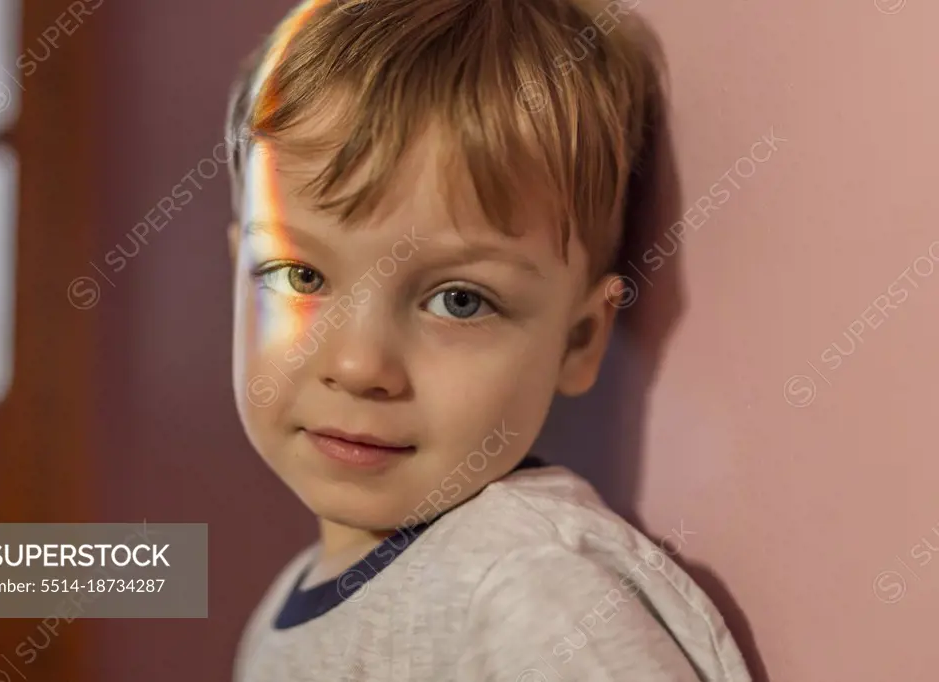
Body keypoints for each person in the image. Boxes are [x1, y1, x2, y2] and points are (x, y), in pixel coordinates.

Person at [226, 0, 752, 679]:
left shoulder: (527, 591)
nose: (359, 365)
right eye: (299, 274)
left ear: (579, 340)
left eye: (459, 300)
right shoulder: (290, 599)